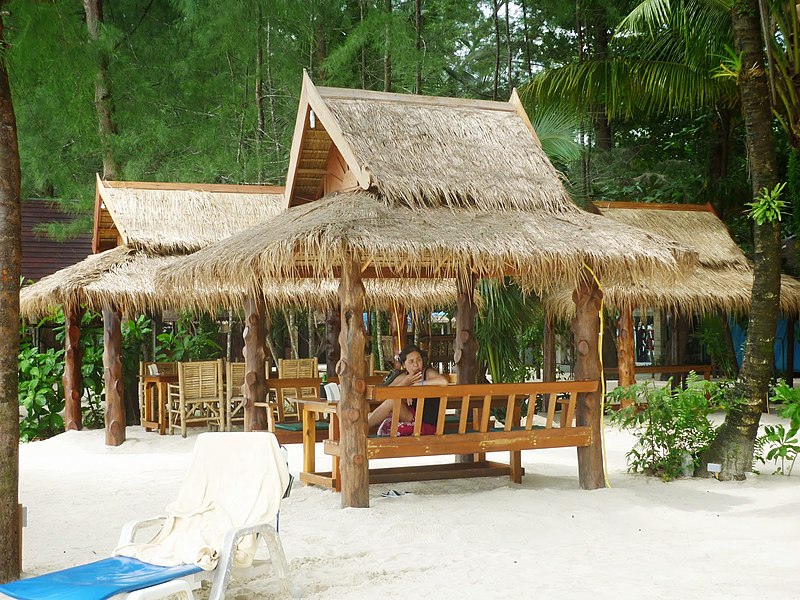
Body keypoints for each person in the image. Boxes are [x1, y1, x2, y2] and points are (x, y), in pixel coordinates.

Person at [367, 344, 449, 436]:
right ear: (404, 365)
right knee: (392, 401)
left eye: (419, 360)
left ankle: (365, 426)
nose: (416, 364)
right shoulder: (404, 377)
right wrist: (405, 384)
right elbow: (386, 394)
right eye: (411, 361)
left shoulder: (427, 373)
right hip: (411, 416)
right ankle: (366, 424)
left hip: (426, 423)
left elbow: (443, 381)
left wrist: (417, 385)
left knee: (391, 405)